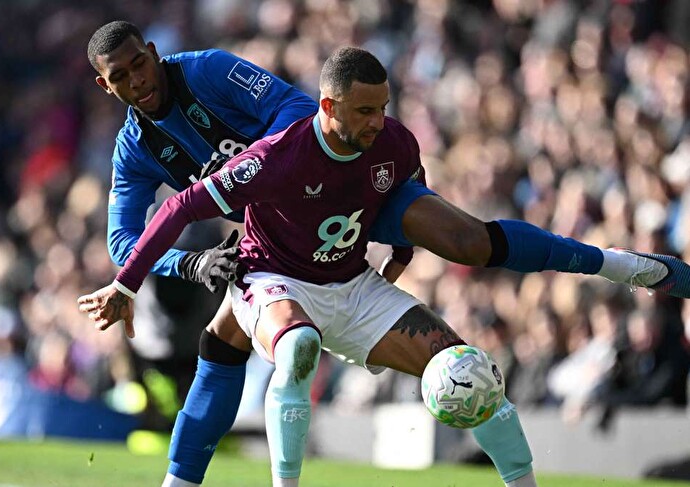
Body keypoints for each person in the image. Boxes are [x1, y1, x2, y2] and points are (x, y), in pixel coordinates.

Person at [86, 21, 690, 487]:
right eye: (122, 76)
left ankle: (627, 266)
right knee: (227, 342)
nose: (138, 80)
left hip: (337, 182)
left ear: (153, 53)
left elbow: (296, 108)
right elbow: (124, 242)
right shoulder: (134, 152)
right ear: (104, 85)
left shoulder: (208, 72)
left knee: (467, 241)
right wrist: (187, 263)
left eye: (141, 63)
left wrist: (279, 181)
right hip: (280, 233)